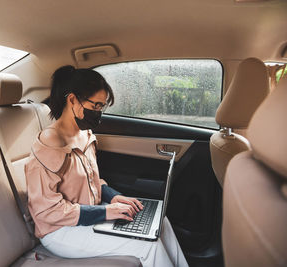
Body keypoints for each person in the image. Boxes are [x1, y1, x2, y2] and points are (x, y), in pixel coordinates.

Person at [25, 65, 188, 267]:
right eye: (95, 106)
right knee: (149, 245)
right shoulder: (50, 143)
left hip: (89, 212)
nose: (99, 113)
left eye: (102, 107)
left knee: (161, 223)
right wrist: (106, 212)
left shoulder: (84, 134)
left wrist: (113, 197)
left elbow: (93, 182)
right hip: (60, 230)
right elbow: (47, 211)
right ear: (72, 100)